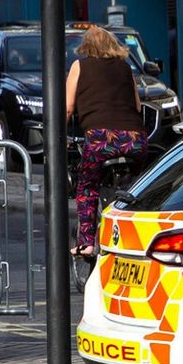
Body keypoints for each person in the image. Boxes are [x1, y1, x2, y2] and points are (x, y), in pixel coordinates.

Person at [66, 24, 145, 258]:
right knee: (135, 187)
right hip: (135, 139)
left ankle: (87, 243)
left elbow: (68, 106)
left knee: (87, 187)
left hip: (101, 139)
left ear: (86, 46)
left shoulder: (79, 66)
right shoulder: (125, 67)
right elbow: (138, 106)